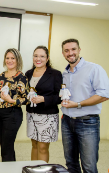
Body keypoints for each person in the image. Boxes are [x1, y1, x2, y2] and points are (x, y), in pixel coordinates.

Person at [60, 38, 109, 173]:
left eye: (73, 49)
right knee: (71, 163)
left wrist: (78, 104)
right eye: (66, 50)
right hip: (66, 122)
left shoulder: (94, 69)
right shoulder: (64, 73)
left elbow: (104, 94)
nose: (70, 53)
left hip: (88, 123)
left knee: (88, 166)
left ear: (79, 50)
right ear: (63, 53)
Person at [25, 46, 62, 163]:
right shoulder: (28, 73)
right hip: (31, 115)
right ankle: (33, 170)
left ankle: (42, 170)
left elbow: (59, 97)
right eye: (35, 56)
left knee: (42, 147)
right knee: (34, 145)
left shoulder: (55, 74)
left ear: (47, 58)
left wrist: (44, 99)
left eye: (42, 56)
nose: (38, 59)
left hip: (48, 116)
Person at [0, 48, 29, 162]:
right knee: (4, 145)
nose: (9, 61)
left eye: (12, 58)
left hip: (13, 114)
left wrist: (12, 101)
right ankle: (9, 168)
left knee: (7, 146)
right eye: (7, 58)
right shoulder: (2, 75)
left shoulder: (21, 77)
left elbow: (27, 99)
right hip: (0, 114)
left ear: (17, 60)